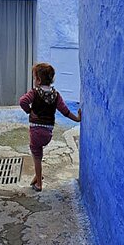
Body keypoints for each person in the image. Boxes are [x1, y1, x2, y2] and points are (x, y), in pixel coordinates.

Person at [19, 62, 81, 192]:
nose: (34, 80)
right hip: (48, 133)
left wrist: (29, 111)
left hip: (36, 131)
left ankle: (39, 183)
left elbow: (22, 101)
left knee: (36, 155)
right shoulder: (56, 95)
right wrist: (77, 119)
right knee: (39, 153)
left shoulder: (34, 93)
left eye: (35, 78)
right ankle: (38, 175)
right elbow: (65, 111)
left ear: (39, 80)